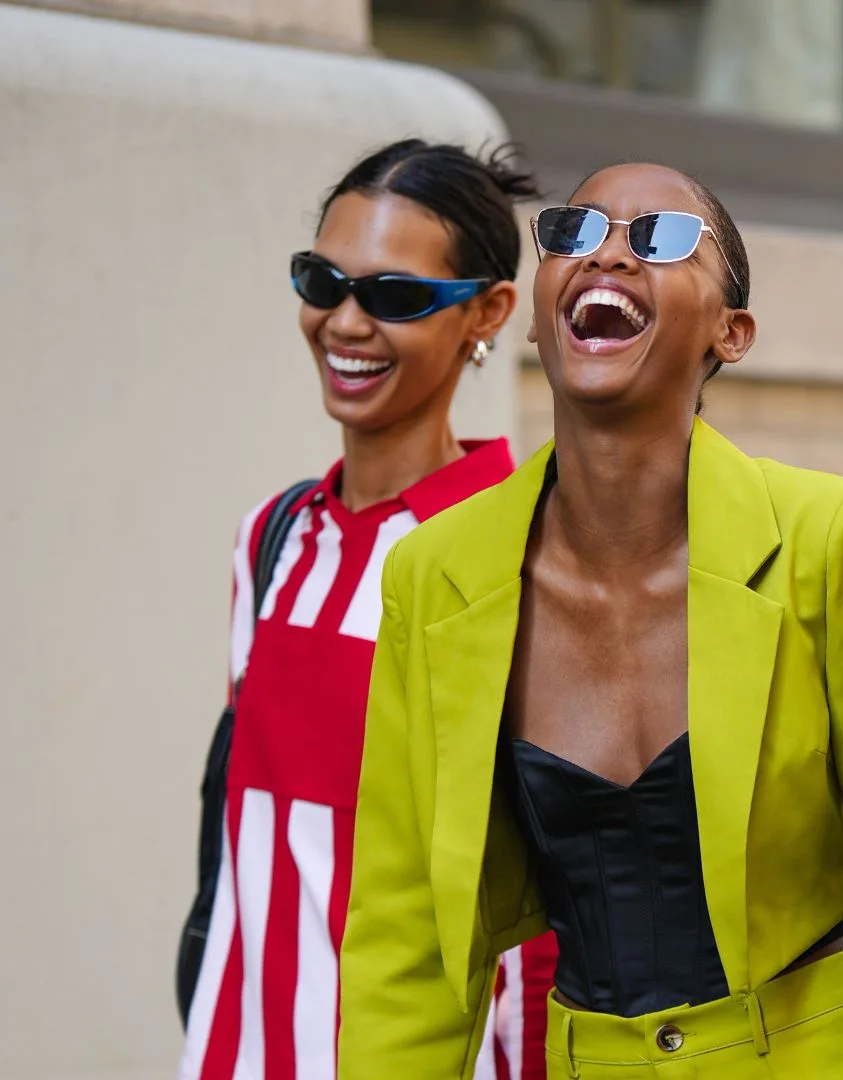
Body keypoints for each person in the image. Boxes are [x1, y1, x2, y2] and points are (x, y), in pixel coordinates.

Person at [337, 162, 843, 1079]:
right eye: (573, 231)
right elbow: (403, 936)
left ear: (731, 333)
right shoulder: (438, 575)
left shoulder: (832, 538)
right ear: (537, 313)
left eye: (661, 239)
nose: (607, 252)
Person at [177, 139, 559, 1080]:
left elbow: (549, 889)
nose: (345, 322)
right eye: (323, 281)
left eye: (393, 297)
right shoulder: (270, 539)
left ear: (488, 312)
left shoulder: (521, 553)